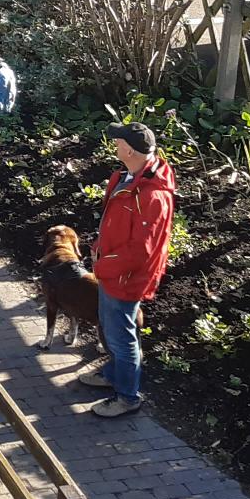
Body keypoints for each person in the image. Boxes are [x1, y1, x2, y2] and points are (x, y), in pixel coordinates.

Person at [79, 122, 177, 418]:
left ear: (130, 150)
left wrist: (104, 266)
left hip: (123, 278)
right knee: (113, 330)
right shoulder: (130, 177)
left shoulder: (150, 196)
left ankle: (128, 397)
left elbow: (141, 251)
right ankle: (113, 374)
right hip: (113, 271)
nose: (115, 147)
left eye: (118, 142)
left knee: (121, 338)